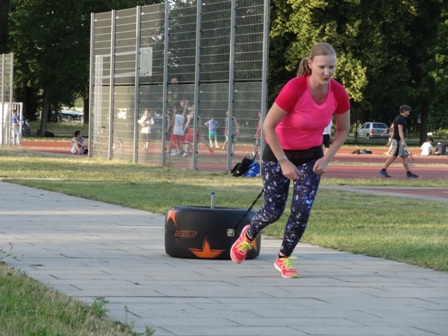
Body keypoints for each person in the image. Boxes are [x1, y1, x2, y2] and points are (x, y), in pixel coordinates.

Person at [230, 42, 351, 278]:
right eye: (322, 67)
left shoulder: (338, 92)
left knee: (301, 210)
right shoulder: (295, 88)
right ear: (310, 64)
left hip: (310, 158)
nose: (327, 73)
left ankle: (284, 258)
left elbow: (343, 130)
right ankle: (248, 235)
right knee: (274, 211)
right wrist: (284, 161)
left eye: (332, 68)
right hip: (278, 155)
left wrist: (326, 159)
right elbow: (268, 126)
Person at [379, 105, 418, 178]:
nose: (409, 113)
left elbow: (393, 130)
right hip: (397, 140)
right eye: (408, 111)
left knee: (404, 156)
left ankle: (408, 173)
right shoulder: (400, 119)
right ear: (404, 111)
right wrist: (403, 141)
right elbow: (400, 131)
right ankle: (383, 170)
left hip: (398, 140)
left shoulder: (400, 118)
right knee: (394, 156)